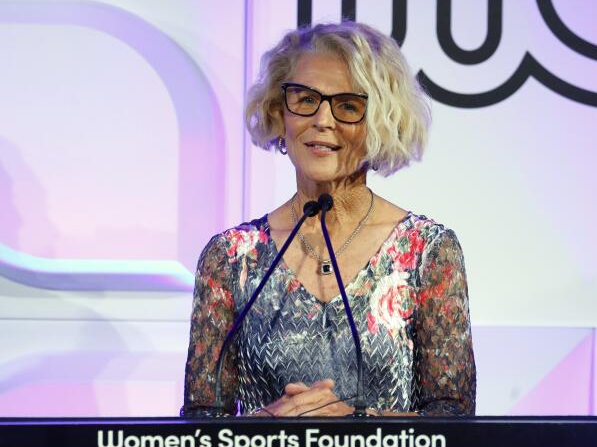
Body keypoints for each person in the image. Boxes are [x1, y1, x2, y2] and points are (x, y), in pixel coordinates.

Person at [181, 21, 475, 419]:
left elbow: (453, 419)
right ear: (278, 112)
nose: (322, 120)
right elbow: (200, 421)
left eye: (347, 106)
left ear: (380, 124)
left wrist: (355, 428)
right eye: (305, 99)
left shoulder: (427, 252)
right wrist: (264, 425)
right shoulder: (231, 257)